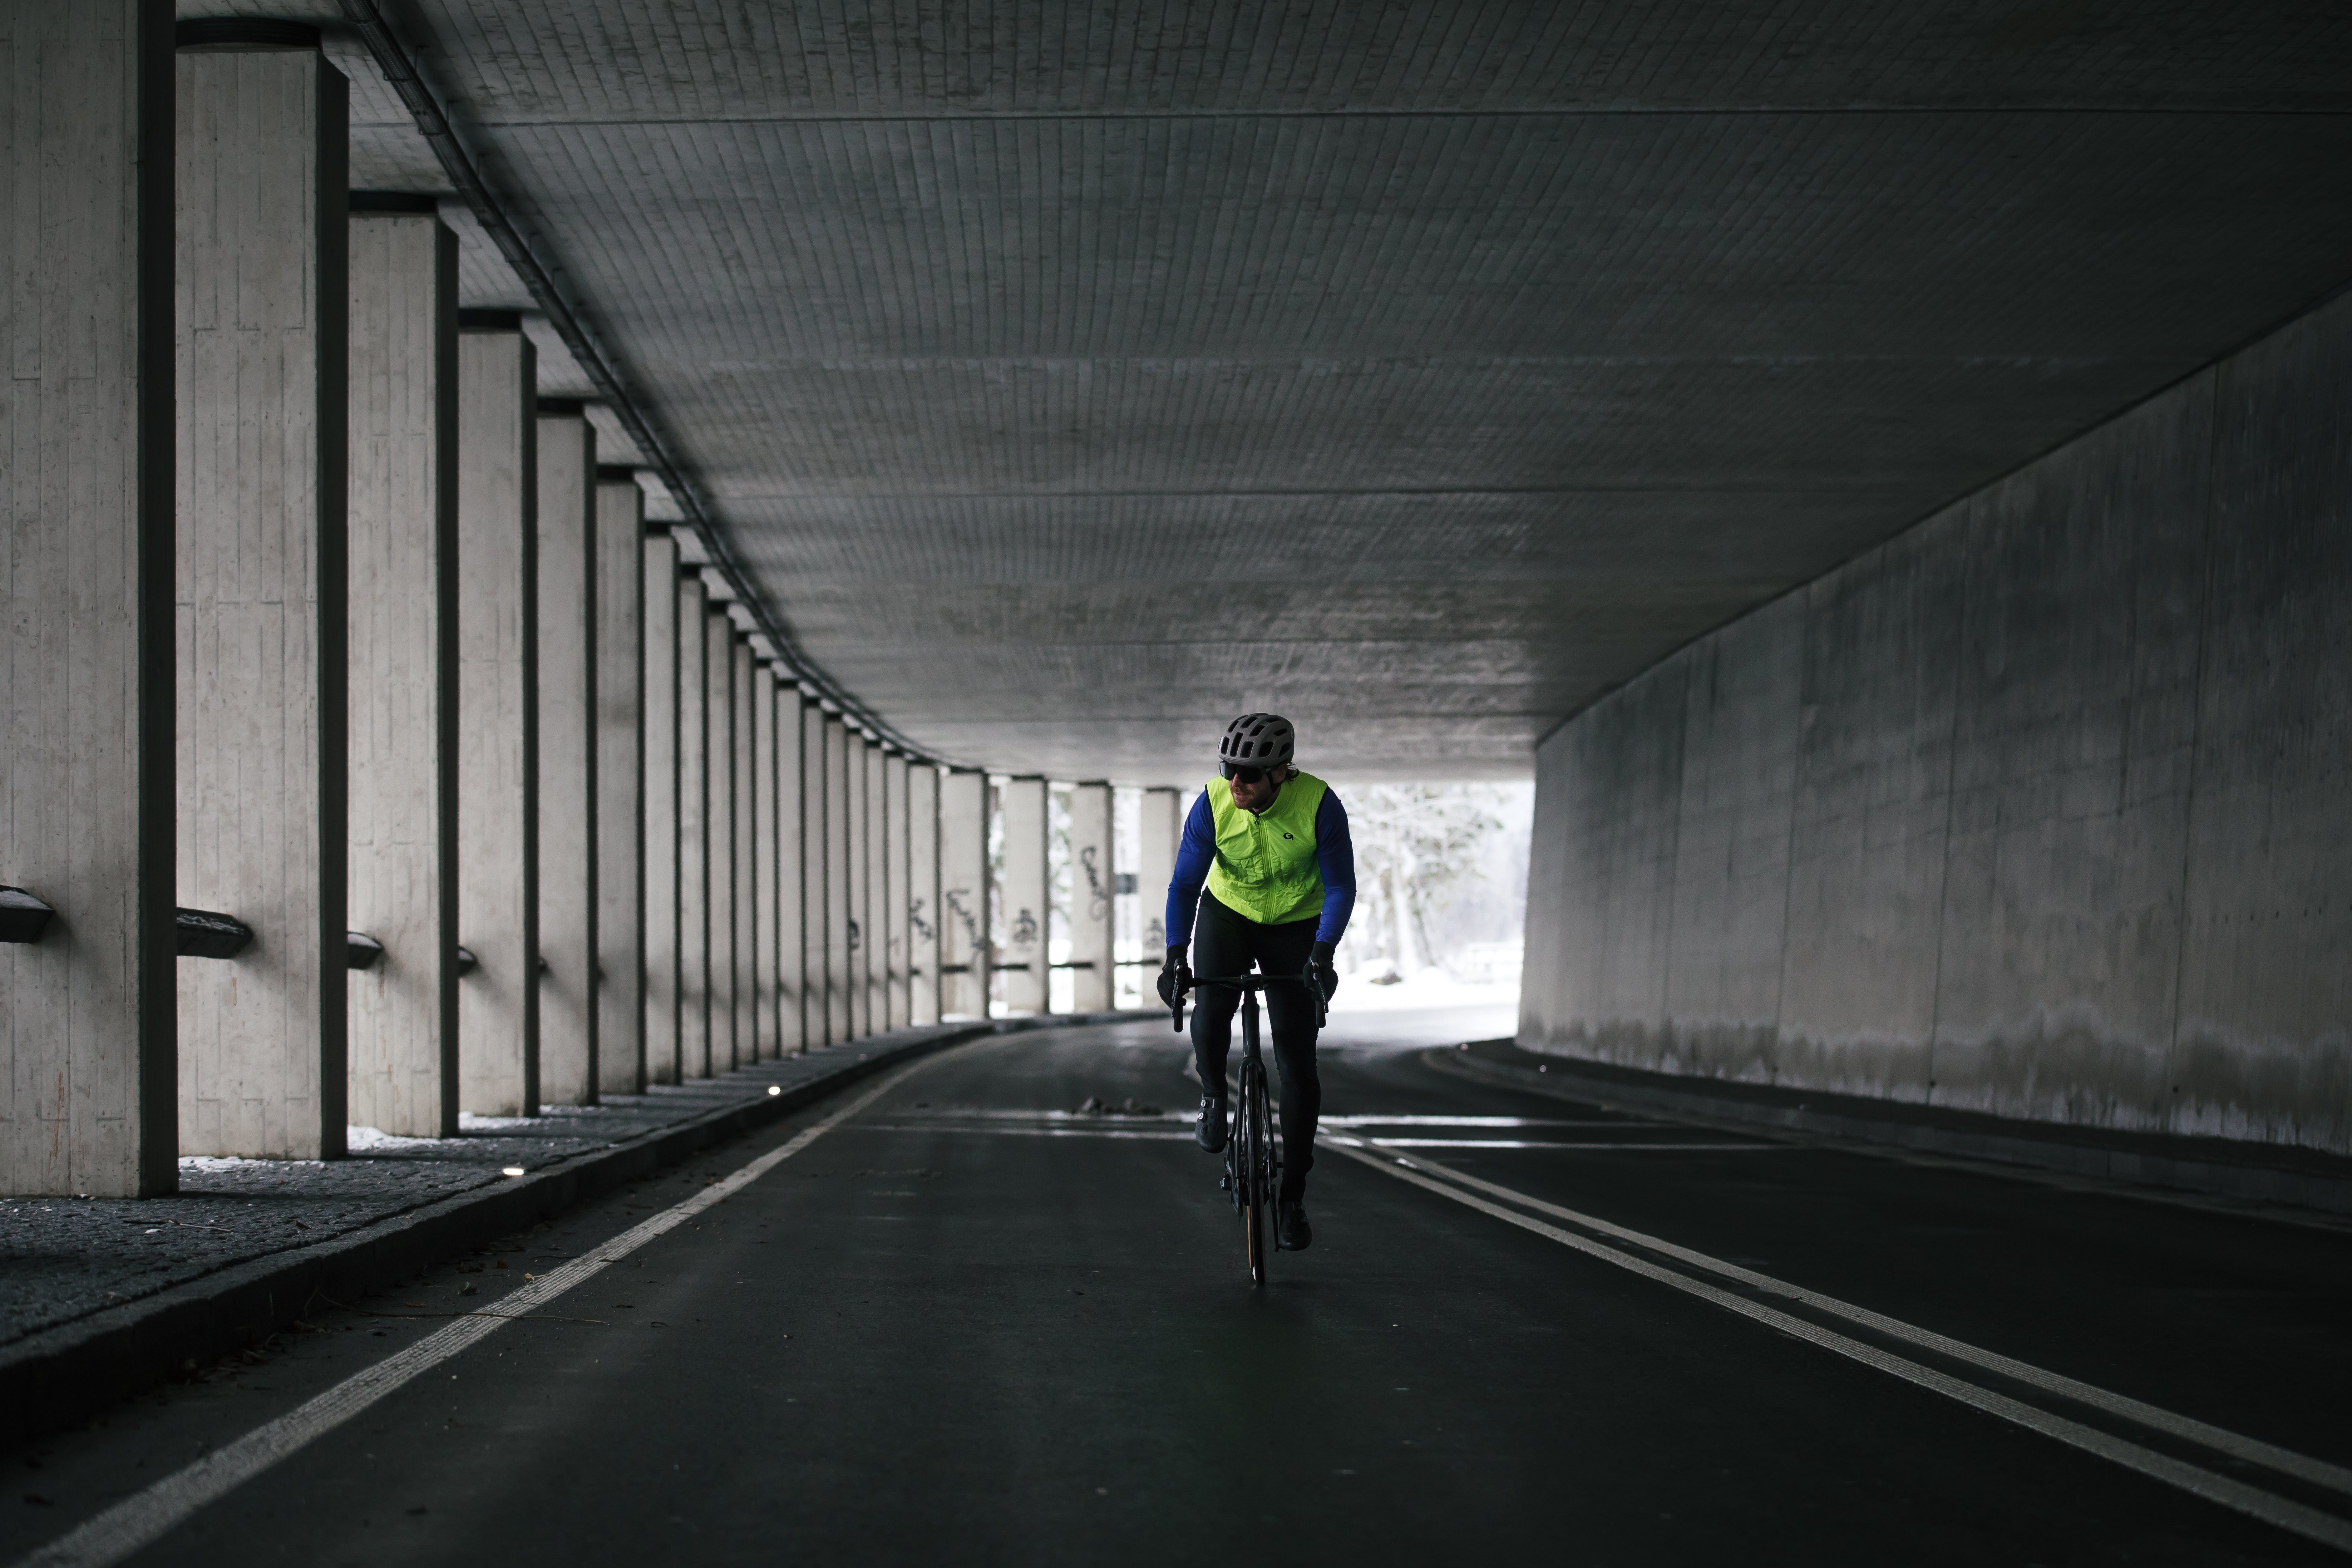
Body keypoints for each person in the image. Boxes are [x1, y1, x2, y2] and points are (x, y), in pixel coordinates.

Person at [1156, 713, 1354, 1252]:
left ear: (1280, 774)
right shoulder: (1213, 803)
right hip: (1229, 913)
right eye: (1228, 769)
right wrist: (1175, 955)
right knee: (1212, 1008)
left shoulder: (1319, 804)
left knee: (1296, 1060)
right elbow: (1184, 885)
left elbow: (1340, 887)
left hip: (1296, 924)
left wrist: (1323, 952)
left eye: (1247, 774)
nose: (1234, 782)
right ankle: (1214, 1097)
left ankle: (1293, 1195)